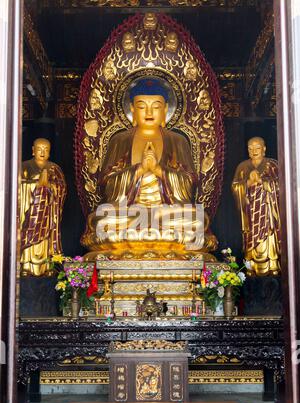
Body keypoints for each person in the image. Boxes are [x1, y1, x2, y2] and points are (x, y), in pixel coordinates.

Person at [83, 78, 217, 255]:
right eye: (141, 106)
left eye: (155, 106)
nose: (148, 112)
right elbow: (106, 183)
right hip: (128, 213)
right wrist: (139, 170)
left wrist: (157, 170)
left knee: (197, 221)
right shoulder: (119, 140)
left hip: (168, 213)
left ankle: (140, 237)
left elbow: (189, 182)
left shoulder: (178, 141)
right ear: (131, 109)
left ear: (165, 110)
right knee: (101, 221)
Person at [232, 136, 281, 276]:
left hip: (267, 212)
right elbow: (235, 187)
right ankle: (250, 266)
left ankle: (273, 264)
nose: (254, 151)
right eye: (250, 148)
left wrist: (261, 180)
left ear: (264, 148)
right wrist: (247, 183)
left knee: (269, 236)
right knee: (250, 236)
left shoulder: (272, 165)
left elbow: (280, 186)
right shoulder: (242, 167)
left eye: (257, 148)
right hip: (250, 212)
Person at [20, 138, 67, 276]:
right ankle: (26, 266)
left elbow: (62, 188)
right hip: (30, 215)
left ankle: (47, 267)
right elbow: (18, 188)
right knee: (29, 239)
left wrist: (50, 187)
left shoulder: (54, 168)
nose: (42, 152)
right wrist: (37, 185)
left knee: (46, 238)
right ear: (33, 151)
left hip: (47, 214)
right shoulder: (24, 166)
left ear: (50, 152)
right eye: (39, 149)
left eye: (46, 149)